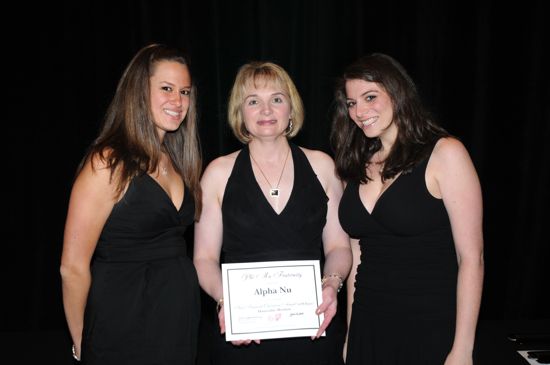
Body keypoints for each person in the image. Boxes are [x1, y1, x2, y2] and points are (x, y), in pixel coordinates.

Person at [193, 61, 352, 365]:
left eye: (276, 99)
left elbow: (338, 247)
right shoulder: (217, 173)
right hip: (242, 338)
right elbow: (203, 259)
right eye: (253, 101)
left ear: (291, 110)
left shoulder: (323, 166)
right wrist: (227, 302)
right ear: (240, 113)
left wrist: (331, 283)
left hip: (313, 329)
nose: (266, 110)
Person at [330, 53, 484, 364]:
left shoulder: (446, 154)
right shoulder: (355, 163)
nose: (359, 111)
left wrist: (462, 349)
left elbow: (471, 258)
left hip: (429, 328)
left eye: (370, 97)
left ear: (397, 93)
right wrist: (350, 333)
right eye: (351, 103)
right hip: (368, 327)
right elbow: (359, 256)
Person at [60, 43, 202, 365]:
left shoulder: (177, 160)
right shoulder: (107, 162)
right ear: (139, 91)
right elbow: (72, 267)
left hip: (177, 323)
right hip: (121, 324)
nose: (178, 102)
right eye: (166, 88)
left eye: (185, 92)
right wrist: (82, 342)